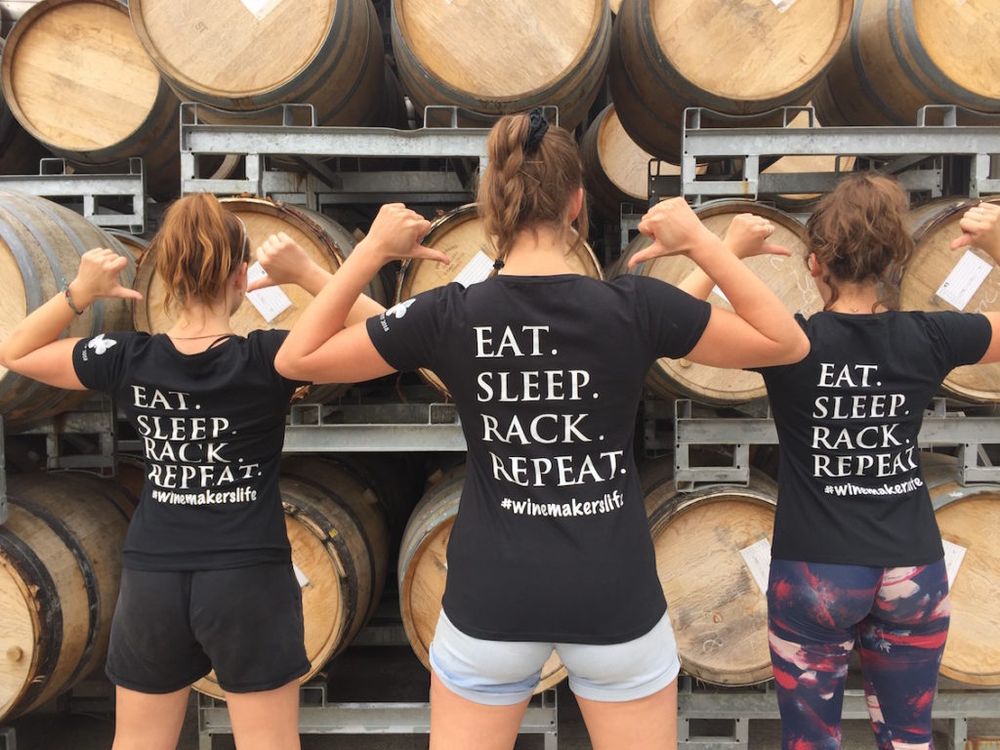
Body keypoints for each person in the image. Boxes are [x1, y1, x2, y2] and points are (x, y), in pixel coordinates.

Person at [266, 110, 809, 750]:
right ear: (577, 204)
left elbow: (296, 360)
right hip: (613, 594)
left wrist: (370, 252)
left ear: (491, 208)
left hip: (492, 597)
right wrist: (705, 243)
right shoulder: (632, 307)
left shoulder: (450, 315)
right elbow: (786, 344)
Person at [0, 193, 381, 750]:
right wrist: (307, 274)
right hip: (248, 576)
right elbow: (391, 333)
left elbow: (15, 351)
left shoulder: (126, 356)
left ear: (169, 278)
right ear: (241, 277)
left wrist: (79, 292)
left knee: (139, 742)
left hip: (154, 576)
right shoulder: (271, 358)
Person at [680, 176, 1000, 750]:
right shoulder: (931, 336)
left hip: (815, 570)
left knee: (811, 741)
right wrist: (998, 246)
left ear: (815, 265)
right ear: (897, 260)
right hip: (910, 568)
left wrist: (726, 251)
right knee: (907, 738)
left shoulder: (787, 343)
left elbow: (674, 328)